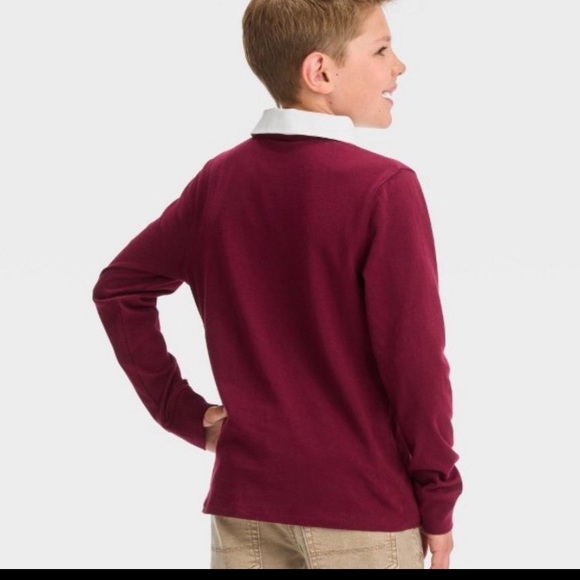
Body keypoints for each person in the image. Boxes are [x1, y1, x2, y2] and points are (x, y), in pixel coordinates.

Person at [92, 0, 462, 569]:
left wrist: (182, 413)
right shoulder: (384, 188)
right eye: (381, 49)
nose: (398, 66)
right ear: (321, 72)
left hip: (246, 507)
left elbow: (119, 289)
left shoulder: (220, 180)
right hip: (362, 508)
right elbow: (414, 363)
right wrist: (438, 495)